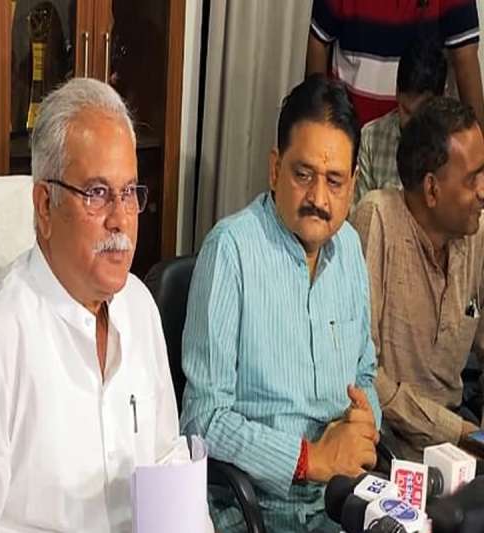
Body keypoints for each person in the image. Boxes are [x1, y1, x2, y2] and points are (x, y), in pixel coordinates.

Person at [0, 78, 204, 532]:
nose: (120, 219)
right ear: (44, 206)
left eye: (129, 193)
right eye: (97, 194)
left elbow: (167, 465)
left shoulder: (139, 306)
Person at [181, 75, 381, 533]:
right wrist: (310, 458)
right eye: (302, 175)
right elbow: (201, 421)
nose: (318, 199)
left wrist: (365, 421)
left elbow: (366, 374)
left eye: (334, 181)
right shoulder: (231, 251)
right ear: (275, 169)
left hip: (341, 501)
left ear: (353, 184)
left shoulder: (350, 248)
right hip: (256, 512)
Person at [351, 96, 484, 460]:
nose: (483, 191)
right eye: (472, 178)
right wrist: (459, 432)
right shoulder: (377, 219)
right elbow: (363, 374)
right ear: (431, 189)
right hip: (387, 444)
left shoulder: (476, 233)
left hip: (462, 441)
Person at [306, 0, 484, 128]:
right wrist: (315, 122)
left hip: (422, 140)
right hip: (347, 130)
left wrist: (478, 152)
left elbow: (465, 61)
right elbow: (319, 41)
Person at [355, 38, 447, 206]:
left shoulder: (455, 147)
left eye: (420, 114)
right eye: (406, 110)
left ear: (439, 100)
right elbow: (361, 213)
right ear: (397, 92)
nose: (411, 124)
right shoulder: (371, 138)